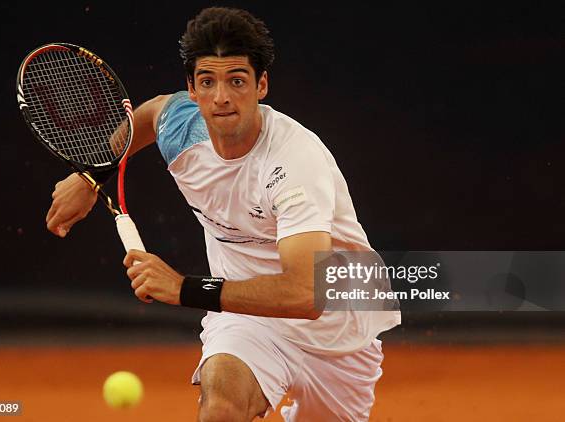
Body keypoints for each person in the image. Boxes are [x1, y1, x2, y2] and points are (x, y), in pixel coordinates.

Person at [46, 7, 400, 421]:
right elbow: (150, 114)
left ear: (261, 85)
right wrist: (91, 177)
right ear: (192, 90)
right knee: (221, 411)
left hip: (340, 329)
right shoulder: (183, 127)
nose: (221, 98)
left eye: (236, 81)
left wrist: (184, 288)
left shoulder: (294, 162)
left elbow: (307, 294)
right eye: (206, 82)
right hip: (247, 321)